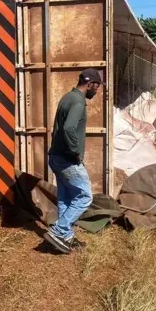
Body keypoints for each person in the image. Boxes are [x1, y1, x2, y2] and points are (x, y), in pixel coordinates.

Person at [43, 68, 104, 254]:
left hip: (56, 156)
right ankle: (59, 230)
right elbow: (69, 128)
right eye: (97, 86)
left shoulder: (67, 97)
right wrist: (76, 152)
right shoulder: (78, 102)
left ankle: (65, 237)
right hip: (67, 159)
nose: (97, 90)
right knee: (85, 197)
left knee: (65, 197)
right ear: (90, 84)